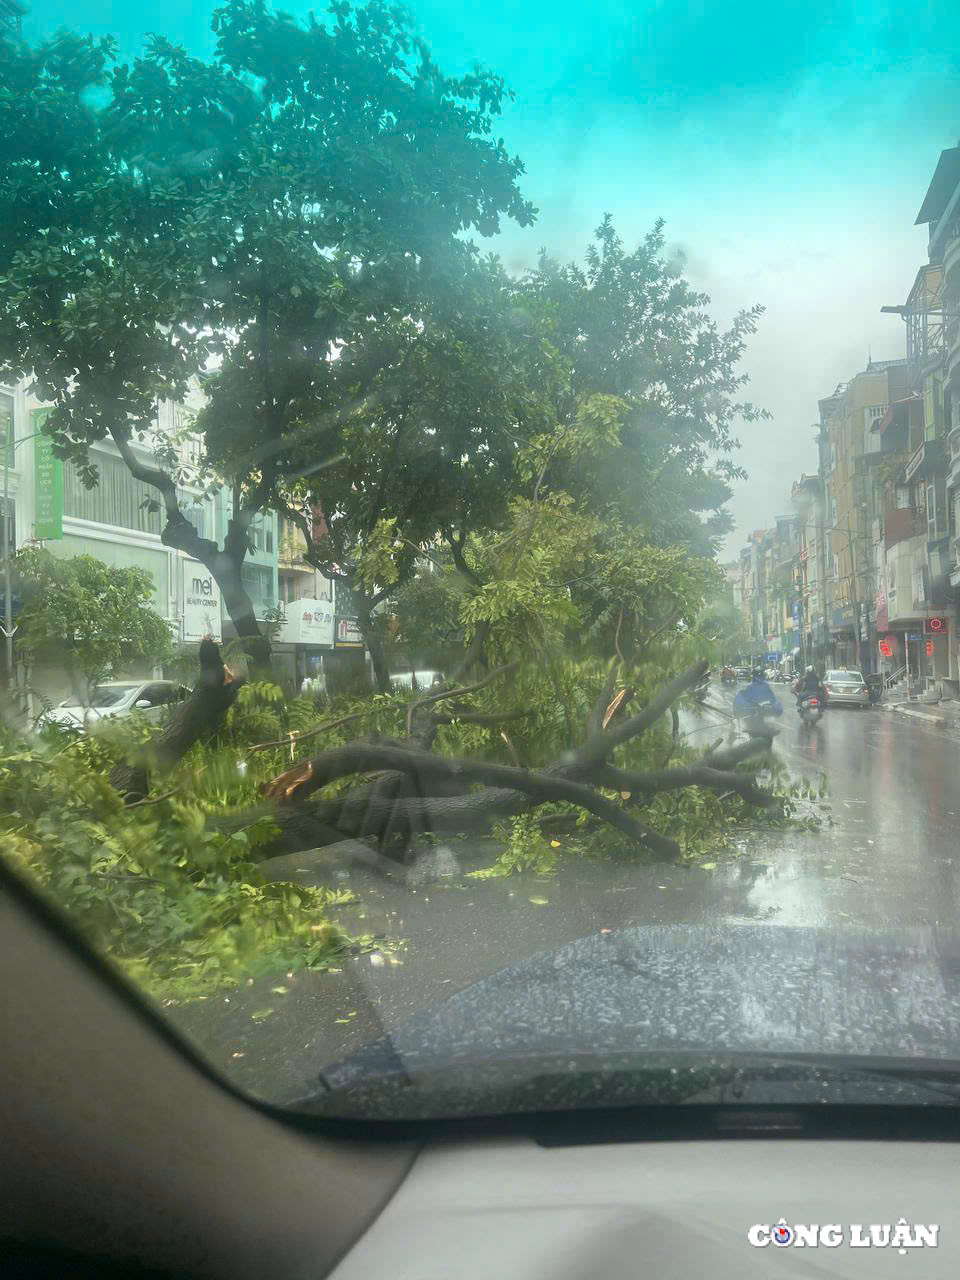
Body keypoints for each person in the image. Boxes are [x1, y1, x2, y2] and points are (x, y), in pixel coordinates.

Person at [733, 667, 783, 733]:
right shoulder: (766, 686)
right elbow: (772, 698)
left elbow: (744, 697)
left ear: (753, 676)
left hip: (758, 716)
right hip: (759, 715)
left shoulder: (751, 687)